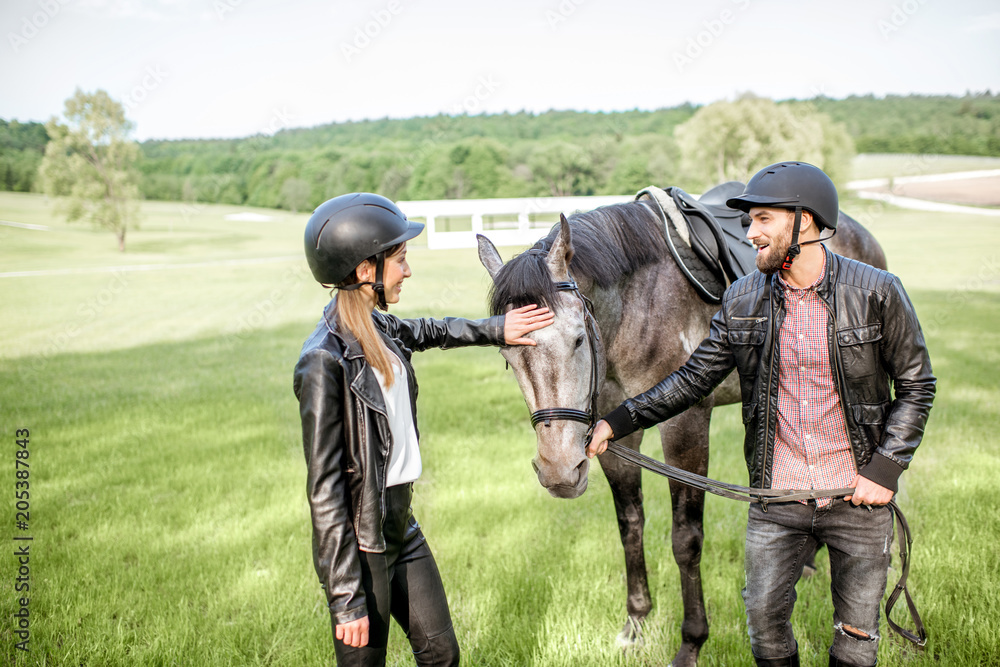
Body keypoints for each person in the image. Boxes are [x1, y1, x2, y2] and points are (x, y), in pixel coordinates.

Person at [585, 162, 935, 667]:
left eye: (763, 219)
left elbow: (918, 383)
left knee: (856, 640)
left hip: (856, 496)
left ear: (805, 221)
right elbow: (693, 379)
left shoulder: (878, 291)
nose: (750, 233)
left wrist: (885, 469)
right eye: (749, 222)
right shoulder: (742, 298)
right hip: (776, 497)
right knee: (766, 633)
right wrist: (618, 420)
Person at [294, 193, 553, 666]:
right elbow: (325, 491)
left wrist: (499, 327)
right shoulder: (322, 360)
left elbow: (434, 330)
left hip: (402, 527)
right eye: (400, 259)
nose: (407, 271)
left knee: (442, 656)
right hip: (361, 547)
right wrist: (346, 597)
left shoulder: (382, 330)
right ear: (363, 270)